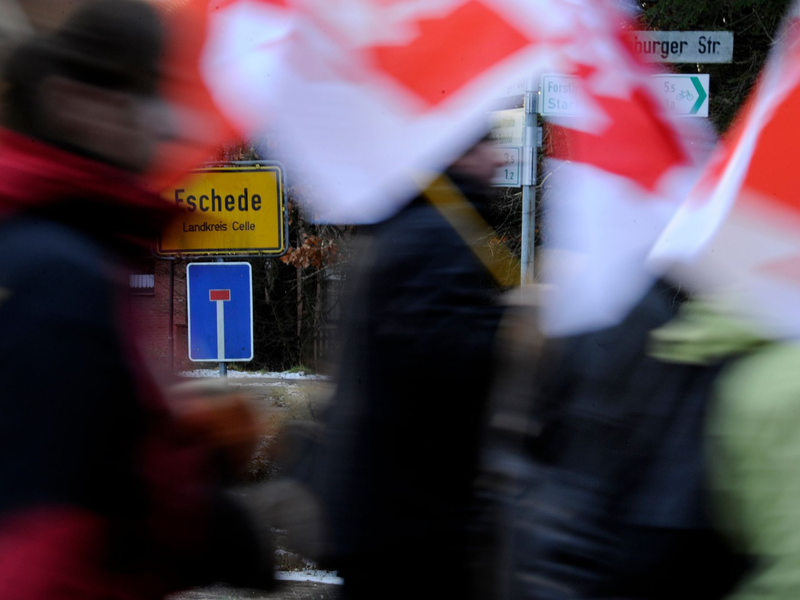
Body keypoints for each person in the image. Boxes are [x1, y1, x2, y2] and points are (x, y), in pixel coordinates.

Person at [0, 2, 319, 598]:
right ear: (80, 102)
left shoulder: (59, 242)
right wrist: (219, 528)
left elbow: (97, 451)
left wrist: (202, 471)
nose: (168, 125)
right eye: (150, 97)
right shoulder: (61, 268)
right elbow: (52, 525)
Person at [300, 135, 510, 600]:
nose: (500, 158)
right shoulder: (440, 235)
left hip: (384, 515)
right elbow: (449, 363)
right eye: (485, 145)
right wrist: (512, 330)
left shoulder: (403, 225)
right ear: (452, 153)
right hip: (413, 525)